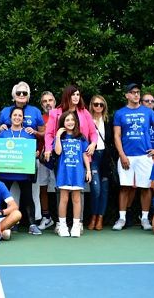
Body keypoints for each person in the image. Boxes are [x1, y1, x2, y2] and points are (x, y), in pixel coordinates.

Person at [112, 83, 154, 231]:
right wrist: (122, 155)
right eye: (133, 92)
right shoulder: (120, 113)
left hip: (145, 156)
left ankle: (145, 219)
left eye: (138, 92)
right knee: (124, 187)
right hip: (127, 156)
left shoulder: (147, 112)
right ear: (126, 95)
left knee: (145, 188)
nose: (136, 95)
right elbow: (117, 135)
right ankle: (121, 219)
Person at [44, 85, 97, 230]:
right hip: (60, 156)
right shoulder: (55, 112)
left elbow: (93, 132)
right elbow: (49, 134)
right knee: (61, 190)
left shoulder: (84, 112)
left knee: (79, 191)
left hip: (80, 157)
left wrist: (93, 144)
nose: (76, 97)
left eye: (78, 95)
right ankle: (60, 224)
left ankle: (77, 223)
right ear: (67, 96)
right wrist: (48, 149)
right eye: (73, 94)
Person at [0, 107, 40, 235]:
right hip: (5, 172)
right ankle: (3, 224)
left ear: (23, 118)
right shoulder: (3, 133)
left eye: (20, 116)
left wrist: (36, 153)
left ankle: (32, 224)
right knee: (3, 198)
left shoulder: (29, 134)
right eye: (15, 115)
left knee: (28, 197)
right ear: (10, 117)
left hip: (23, 172)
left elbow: (34, 151)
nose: (17, 117)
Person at [54, 111, 92, 237]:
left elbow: (85, 155)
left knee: (76, 199)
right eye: (67, 120)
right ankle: (63, 225)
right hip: (64, 172)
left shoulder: (81, 137)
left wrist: (88, 170)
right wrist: (58, 136)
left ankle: (76, 225)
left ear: (76, 122)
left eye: (72, 120)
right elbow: (58, 152)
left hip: (77, 172)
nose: (70, 122)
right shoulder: (61, 137)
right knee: (63, 199)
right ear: (63, 123)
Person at [87, 95, 113, 231]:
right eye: (96, 104)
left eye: (101, 105)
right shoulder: (87, 119)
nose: (98, 107)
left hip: (106, 157)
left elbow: (112, 139)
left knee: (104, 189)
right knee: (95, 190)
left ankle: (100, 218)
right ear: (91, 105)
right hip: (93, 157)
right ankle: (93, 216)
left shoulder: (108, 120)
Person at [36, 91, 57, 230]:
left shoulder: (61, 115)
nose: (48, 103)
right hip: (43, 158)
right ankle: (46, 217)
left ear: (55, 102)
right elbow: (39, 138)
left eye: (50, 100)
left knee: (60, 188)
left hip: (58, 157)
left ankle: (61, 219)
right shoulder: (40, 118)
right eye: (45, 101)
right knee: (42, 187)